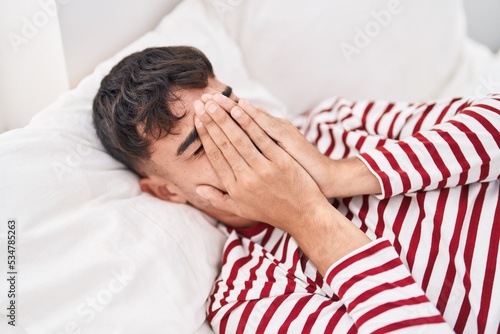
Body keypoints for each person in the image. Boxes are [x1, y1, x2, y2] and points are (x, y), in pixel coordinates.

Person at [93, 46, 500, 333]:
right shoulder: (247, 300)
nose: (242, 137)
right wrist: (306, 215)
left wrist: (338, 175)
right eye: (203, 145)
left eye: (233, 110)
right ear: (167, 192)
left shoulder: (334, 120)